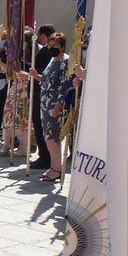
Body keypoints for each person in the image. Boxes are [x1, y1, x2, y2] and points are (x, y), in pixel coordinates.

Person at [36, 33, 77, 182]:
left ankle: (56, 169)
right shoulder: (52, 60)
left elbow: (64, 85)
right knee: (48, 136)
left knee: (53, 137)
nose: (51, 48)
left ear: (62, 46)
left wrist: (58, 104)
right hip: (45, 103)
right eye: (50, 45)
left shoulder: (66, 62)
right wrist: (37, 76)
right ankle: (54, 166)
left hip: (55, 105)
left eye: (54, 46)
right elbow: (48, 81)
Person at [27, 24, 57, 171]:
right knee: (39, 126)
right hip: (40, 92)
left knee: (40, 126)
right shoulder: (47, 51)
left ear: (44, 36)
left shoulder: (48, 52)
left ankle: (45, 157)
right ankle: (44, 156)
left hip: (42, 93)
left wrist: (34, 75)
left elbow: (45, 74)